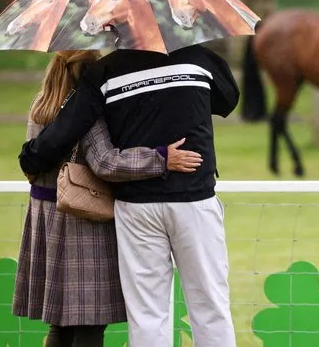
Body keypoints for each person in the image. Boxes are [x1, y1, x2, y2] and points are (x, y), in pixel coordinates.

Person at [18, 45, 240, 347]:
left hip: (136, 207)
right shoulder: (198, 57)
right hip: (193, 199)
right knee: (210, 304)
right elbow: (229, 99)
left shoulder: (105, 71)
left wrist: (30, 157)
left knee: (147, 315)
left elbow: (68, 125)